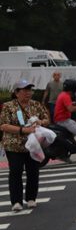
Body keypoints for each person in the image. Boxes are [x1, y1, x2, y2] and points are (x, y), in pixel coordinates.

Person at [0, 80, 51, 211]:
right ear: (16, 93)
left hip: (33, 145)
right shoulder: (8, 106)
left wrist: (40, 121)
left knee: (33, 171)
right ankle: (16, 201)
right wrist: (23, 130)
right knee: (16, 171)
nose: (28, 93)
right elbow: (4, 125)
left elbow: (47, 119)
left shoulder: (36, 105)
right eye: (25, 90)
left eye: (30, 90)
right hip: (14, 145)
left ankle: (31, 198)